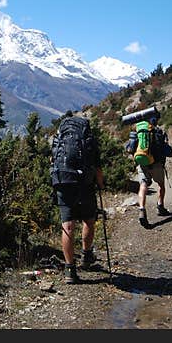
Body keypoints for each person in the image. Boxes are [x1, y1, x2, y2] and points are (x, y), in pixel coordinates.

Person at [50, 112, 105, 284]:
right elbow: (97, 168)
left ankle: (69, 270)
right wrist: (101, 185)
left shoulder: (59, 140)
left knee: (67, 225)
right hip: (84, 183)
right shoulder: (89, 141)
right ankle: (87, 256)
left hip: (63, 182)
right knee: (88, 219)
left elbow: (53, 160)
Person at [134, 116, 171, 228]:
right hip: (156, 164)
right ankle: (160, 206)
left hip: (143, 163)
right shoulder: (158, 132)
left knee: (143, 185)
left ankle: (142, 209)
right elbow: (167, 150)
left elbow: (130, 148)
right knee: (161, 185)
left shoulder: (139, 133)